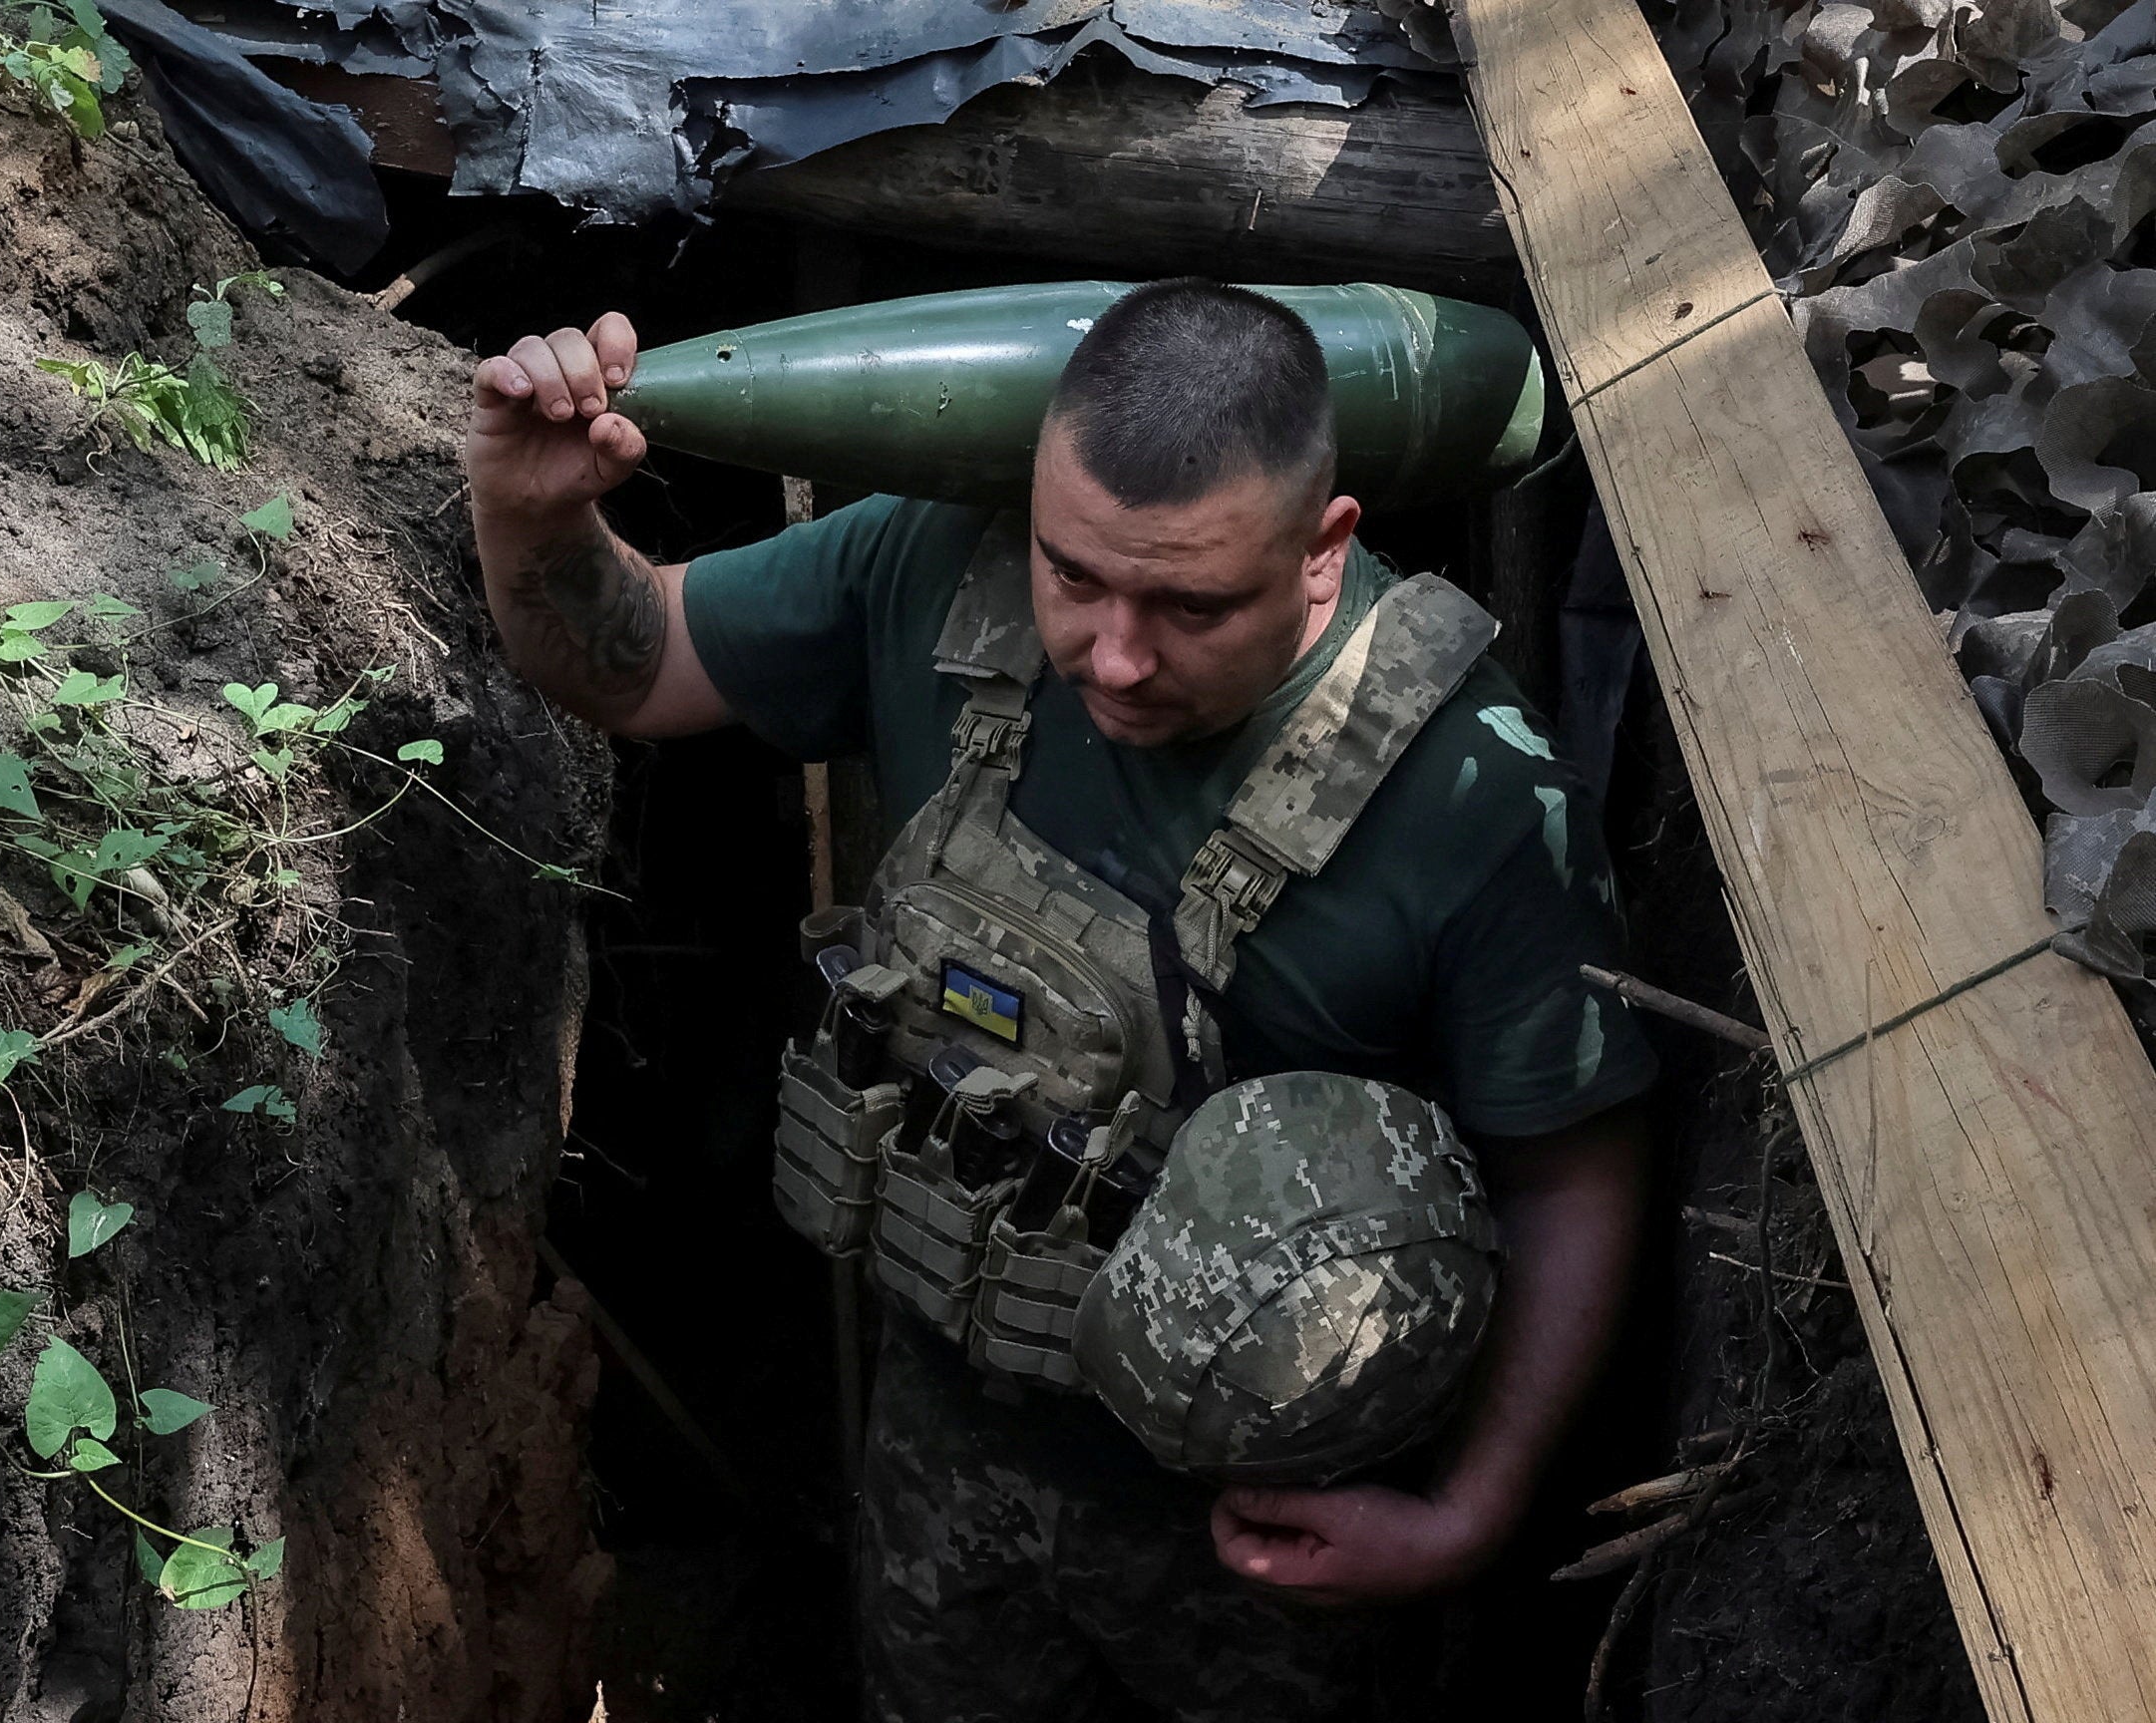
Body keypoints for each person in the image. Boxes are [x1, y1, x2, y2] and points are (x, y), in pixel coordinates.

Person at [465, 279, 1656, 1722]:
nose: (1117, 656)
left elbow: (1570, 1176)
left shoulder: (1477, 803)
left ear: (1325, 549)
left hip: (1268, 1540)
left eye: (1192, 605)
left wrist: (1470, 1512)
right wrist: (534, 515)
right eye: (1075, 577)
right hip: (942, 1448)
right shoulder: (939, 558)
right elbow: (642, 659)